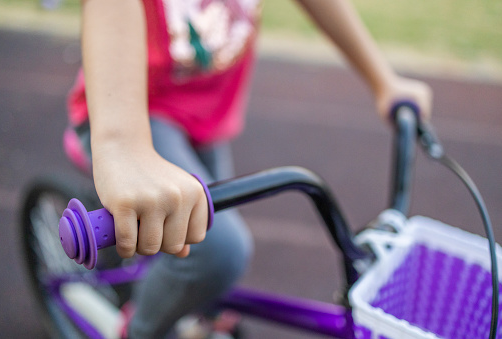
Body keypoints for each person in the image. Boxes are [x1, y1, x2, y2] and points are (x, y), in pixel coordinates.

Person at [66, 0, 432, 338]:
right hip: (134, 111)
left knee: (202, 239)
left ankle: (194, 302)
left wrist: (383, 79)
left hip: (204, 118)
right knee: (219, 254)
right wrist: (121, 144)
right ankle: (139, 330)